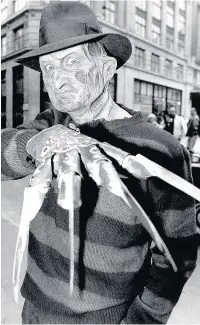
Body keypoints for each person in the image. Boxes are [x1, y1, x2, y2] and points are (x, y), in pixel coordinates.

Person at [1, 2, 198, 324]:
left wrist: (141, 319)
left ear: (106, 69)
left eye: (71, 62)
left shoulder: (162, 150)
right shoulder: (49, 122)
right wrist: (35, 143)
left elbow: (178, 253)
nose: (57, 80)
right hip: (35, 307)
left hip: (105, 317)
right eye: (48, 68)